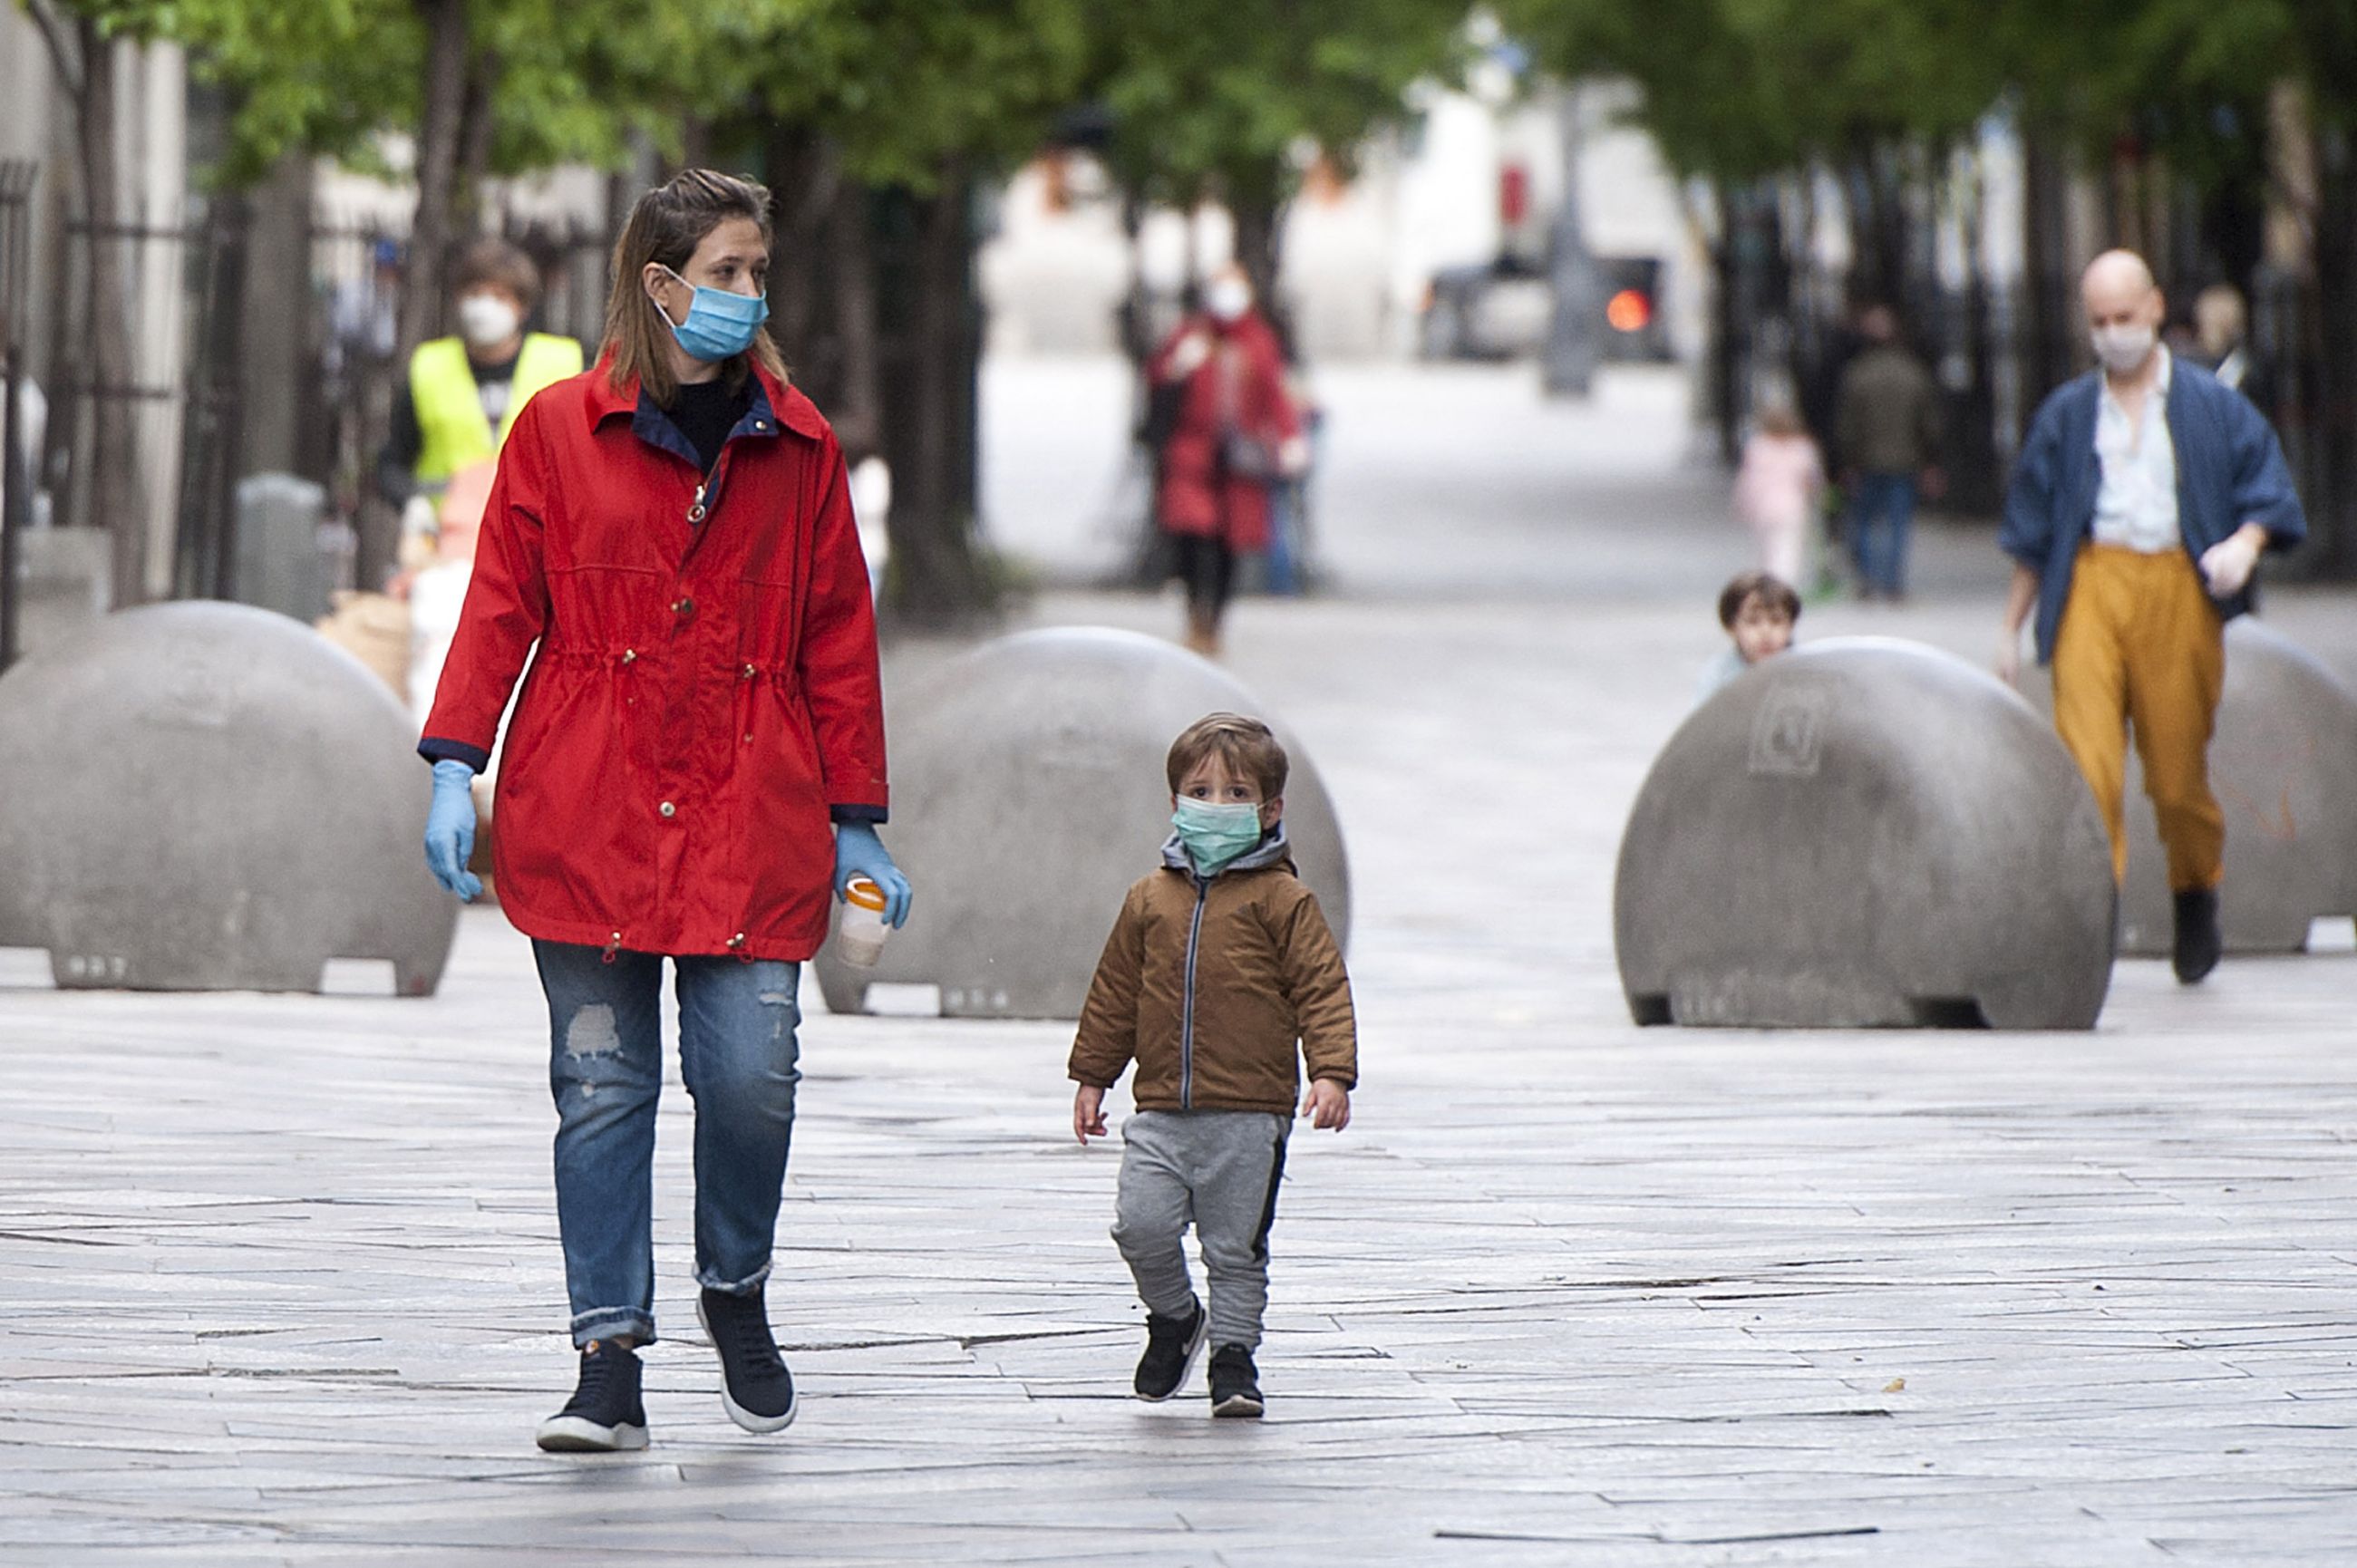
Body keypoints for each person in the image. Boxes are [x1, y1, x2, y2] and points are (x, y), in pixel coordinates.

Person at [417, 169, 913, 1453]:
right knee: (599, 1084)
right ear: (662, 283)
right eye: (729, 273)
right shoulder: (557, 432)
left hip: (753, 811)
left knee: (752, 1076)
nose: (748, 297)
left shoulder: (799, 449)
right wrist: (450, 760)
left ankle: (734, 1285)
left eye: (759, 274)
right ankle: (607, 1358)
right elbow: (497, 609)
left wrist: (858, 814)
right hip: (586, 804)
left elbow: (838, 640)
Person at [1996, 249, 2306, 983]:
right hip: (2092, 581)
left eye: (2124, 318)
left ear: (2156, 309)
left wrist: (2246, 542)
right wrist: (2011, 629)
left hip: (2177, 582)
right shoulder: (2069, 414)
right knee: (2088, 763)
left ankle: (2195, 890)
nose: (2113, 334)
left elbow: (2268, 488)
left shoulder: (2211, 405)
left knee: (2176, 773)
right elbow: (2034, 530)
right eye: (2099, 321)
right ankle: (2090, 919)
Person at [1068, 712, 1355, 1418]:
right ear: (1175, 803)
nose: (1218, 806)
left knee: (1235, 1250)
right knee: (1139, 1226)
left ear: (1270, 809)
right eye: (1201, 790)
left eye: (1237, 794)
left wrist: (1331, 1071)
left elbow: (1321, 987)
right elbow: (1115, 993)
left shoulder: (1283, 901)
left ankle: (1233, 1357)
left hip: (1249, 1117)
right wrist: (1093, 1076)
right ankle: (1173, 1317)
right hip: (1162, 1109)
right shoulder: (1148, 900)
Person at [1147, 267, 1307, 657]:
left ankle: (1214, 623)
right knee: (1191, 538)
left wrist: (1289, 439)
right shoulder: (1191, 336)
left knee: (1228, 547)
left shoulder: (1258, 341)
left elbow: (1274, 394)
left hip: (1240, 461)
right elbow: (1157, 381)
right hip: (1193, 455)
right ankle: (1194, 617)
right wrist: (1176, 368)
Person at [381, 237, 584, 511]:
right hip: (447, 539)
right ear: (459, 298)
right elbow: (393, 462)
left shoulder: (562, 364)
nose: (485, 307)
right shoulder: (430, 368)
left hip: (535, 536)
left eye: (500, 296)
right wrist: (413, 504)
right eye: (475, 293)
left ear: (522, 306)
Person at [1832, 305, 1943, 601]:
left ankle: (1868, 579)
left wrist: (1847, 461)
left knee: (1866, 522)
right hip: (1906, 460)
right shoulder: (1913, 373)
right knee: (1897, 524)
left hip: (1866, 460)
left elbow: (1847, 423)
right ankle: (1893, 582)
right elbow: (1929, 422)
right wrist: (1930, 461)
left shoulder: (1857, 374)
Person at [1731, 404, 1824, 587]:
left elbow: (1748, 480)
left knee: (1765, 549)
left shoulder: (1758, 447)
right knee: (1787, 550)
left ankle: (1767, 581)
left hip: (1763, 506)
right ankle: (1782, 585)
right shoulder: (1802, 448)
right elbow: (1811, 480)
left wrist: (1742, 504)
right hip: (1792, 506)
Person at [1697, 570, 1799, 702]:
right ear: (1731, 627)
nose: (1765, 632)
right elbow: (1704, 720)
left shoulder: (1804, 673)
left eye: (1776, 621)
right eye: (1753, 621)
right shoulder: (1718, 676)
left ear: (1790, 625)